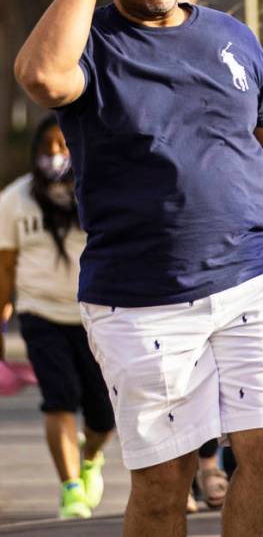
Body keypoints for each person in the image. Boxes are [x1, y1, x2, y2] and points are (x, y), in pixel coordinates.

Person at [14, 0, 263, 537]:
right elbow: (39, 77)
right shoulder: (93, 43)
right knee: (164, 482)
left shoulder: (230, 36)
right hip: (140, 296)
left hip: (251, 274)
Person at [0, 117, 114, 519]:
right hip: (39, 314)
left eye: (63, 146)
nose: (54, 155)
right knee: (59, 399)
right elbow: (6, 267)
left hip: (95, 315)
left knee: (104, 413)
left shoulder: (97, 194)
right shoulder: (14, 200)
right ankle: (70, 490)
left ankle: (90, 459)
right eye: (47, 147)